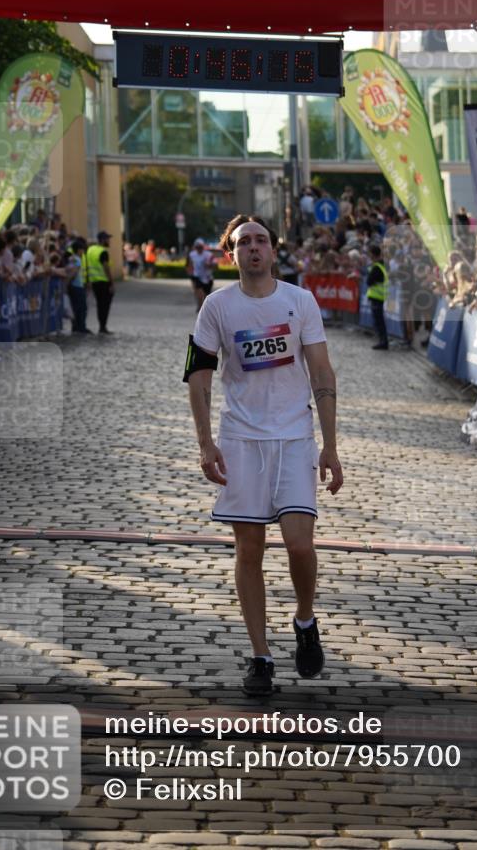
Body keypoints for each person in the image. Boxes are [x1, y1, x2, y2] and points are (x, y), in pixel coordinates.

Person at [184, 214, 343, 697]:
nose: (253, 248)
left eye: (260, 241)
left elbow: (321, 370)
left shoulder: (300, 301)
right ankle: (260, 657)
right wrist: (205, 442)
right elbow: (198, 375)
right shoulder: (216, 307)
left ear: (274, 251)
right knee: (249, 550)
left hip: (295, 437)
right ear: (230, 253)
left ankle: (304, 619)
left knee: (299, 545)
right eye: (243, 242)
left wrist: (331, 446)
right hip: (242, 442)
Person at [86, 230, 114, 334]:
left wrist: (87, 279)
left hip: (94, 281)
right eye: (107, 239)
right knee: (105, 305)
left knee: (99, 305)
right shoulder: (103, 251)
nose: (109, 241)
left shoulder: (90, 250)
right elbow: (106, 267)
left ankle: (101, 326)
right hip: (103, 281)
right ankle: (103, 327)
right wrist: (111, 282)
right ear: (102, 240)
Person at [66, 238, 92, 333]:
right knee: (81, 307)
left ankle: (77, 326)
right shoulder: (77, 260)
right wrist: (68, 282)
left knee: (76, 307)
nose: (83, 251)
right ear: (78, 250)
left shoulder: (72, 258)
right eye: (82, 249)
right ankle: (81, 327)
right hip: (77, 286)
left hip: (75, 286)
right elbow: (74, 272)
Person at [367, 243, 389, 349]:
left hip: (377, 297)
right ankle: (382, 341)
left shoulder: (377, 267)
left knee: (379, 322)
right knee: (379, 321)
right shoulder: (381, 265)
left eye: (370, 254)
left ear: (373, 254)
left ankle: (383, 342)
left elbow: (369, 281)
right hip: (380, 297)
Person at [187, 238, 215, 310]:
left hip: (208, 278)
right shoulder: (192, 255)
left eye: (200, 247)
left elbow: (216, 266)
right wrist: (190, 274)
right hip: (197, 276)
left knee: (206, 296)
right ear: (195, 247)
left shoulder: (209, 255)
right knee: (199, 293)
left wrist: (209, 265)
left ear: (203, 247)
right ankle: (200, 307)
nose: (199, 249)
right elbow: (190, 265)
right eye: (197, 247)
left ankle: (204, 309)